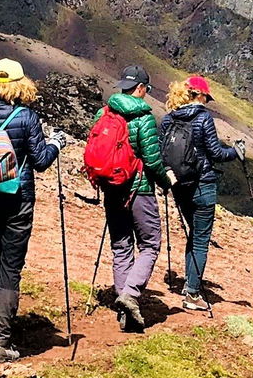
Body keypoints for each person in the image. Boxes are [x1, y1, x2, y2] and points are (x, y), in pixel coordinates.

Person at [0, 59, 66, 363]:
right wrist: (56, 144)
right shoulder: (27, 117)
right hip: (18, 199)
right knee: (11, 265)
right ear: (22, 85)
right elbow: (41, 161)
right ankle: (0, 342)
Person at [92, 65, 171, 331]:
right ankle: (131, 294)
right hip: (139, 189)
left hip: (111, 188)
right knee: (150, 244)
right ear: (140, 88)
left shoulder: (104, 113)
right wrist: (166, 181)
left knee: (121, 245)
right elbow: (152, 160)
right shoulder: (144, 117)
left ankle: (124, 311)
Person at [158, 76, 241, 311]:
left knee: (193, 234)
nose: (207, 102)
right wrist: (236, 152)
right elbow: (216, 153)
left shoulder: (169, 118)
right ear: (200, 95)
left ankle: (189, 284)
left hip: (179, 185)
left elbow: (161, 151)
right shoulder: (203, 118)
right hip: (203, 184)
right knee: (201, 239)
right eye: (207, 97)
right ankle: (192, 293)